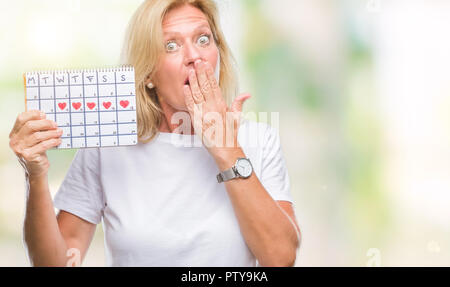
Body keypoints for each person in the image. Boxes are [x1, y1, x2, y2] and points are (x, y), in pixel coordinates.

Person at [9, 0, 300, 267]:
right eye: (171, 46)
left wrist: (226, 149)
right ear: (148, 74)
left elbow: (281, 258)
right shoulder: (108, 145)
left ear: (218, 54)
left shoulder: (260, 140)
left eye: (203, 39)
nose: (194, 56)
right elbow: (54, 264)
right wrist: (35, 175)